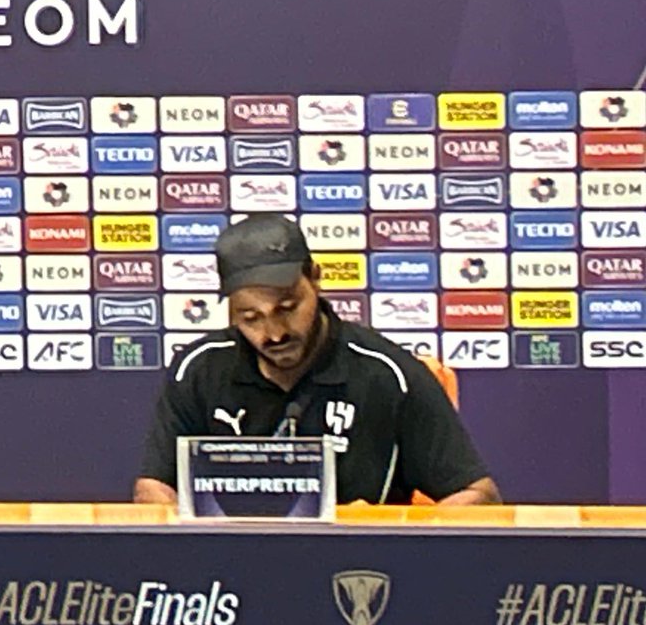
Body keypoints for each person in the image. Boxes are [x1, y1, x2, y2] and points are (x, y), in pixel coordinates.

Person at [135, 213, 500, 507]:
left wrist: (391, 539)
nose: (274, 333)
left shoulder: (388, 374)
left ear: (315, 280)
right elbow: (154, 488)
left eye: (287, 308)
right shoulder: (198, 370)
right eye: (251, 317)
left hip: (361, 563)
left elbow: (477, 495)